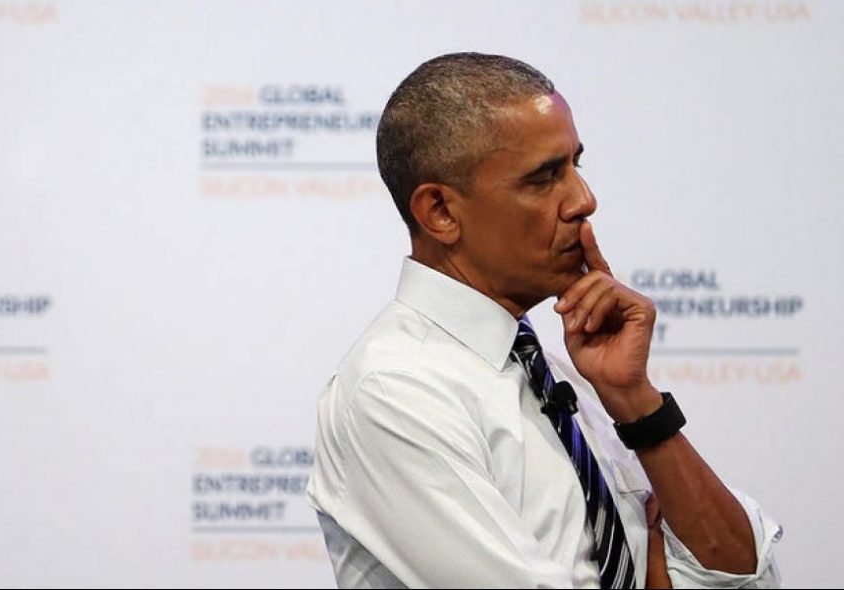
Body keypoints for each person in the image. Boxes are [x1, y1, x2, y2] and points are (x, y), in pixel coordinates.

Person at [305, 53, 783, 588]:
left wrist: (636, 404)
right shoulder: (392, 390)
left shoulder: (563, 375)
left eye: (577, 165)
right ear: (440, 211)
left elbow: (750, 577)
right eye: (544, 178)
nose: (584, 200)